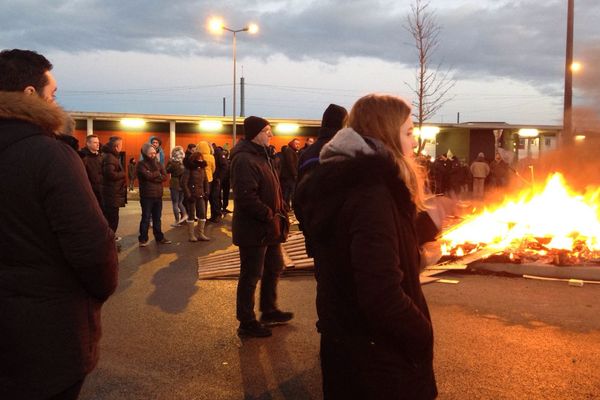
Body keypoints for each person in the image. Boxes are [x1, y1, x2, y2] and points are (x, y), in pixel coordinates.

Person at [295, 94, 443, 399]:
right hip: (379, 364)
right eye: (409, 132)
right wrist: (422, 335)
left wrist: (418, 253)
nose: (414, 143)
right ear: (387, 134)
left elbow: (362, 262)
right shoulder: (371, 194)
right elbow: (380, 294)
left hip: (350, 352)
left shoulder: (347, 183)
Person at [0, 49, 118, 399]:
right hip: (44, 338)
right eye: (53, 93)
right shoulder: (48, 154)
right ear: (30, 94)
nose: (57, 101)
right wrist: (96, 295)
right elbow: (93, 249)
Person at [231, 116, 293, 338]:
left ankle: (269, 309)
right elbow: (245, 197)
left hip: (269, 227)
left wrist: (282, 207)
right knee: (251, 275)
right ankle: (246, 321)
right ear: (255, 133)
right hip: (254, 228)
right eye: (267, 130)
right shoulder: (244, 159)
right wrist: (269, 215)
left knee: (274, 266)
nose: (271, 134)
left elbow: (273, 188)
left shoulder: (264, 156)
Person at [137, 143, 172, 246]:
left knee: (157, 218)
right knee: (146, 218)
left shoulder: (158, 164)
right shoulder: (141, 164)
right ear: (145, 154)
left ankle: (159, 237)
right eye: (150, 153)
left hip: (158, 195)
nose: (153, 155)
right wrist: (157, 174)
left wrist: (153, 175)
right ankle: (143, 239)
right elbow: (147, 176)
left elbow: (165, 177)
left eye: (154, 153)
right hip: (146, 196)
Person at [101, 136, 127, 239]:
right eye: (121, 145)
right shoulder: (110, 157)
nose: (121, 147)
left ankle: (110, 237)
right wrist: (123, 174)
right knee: (112, 218)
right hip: (111, 192)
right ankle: (109, 239)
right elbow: (110, 174)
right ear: (116, 147)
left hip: (113, 192)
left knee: (112, 217)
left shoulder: (111, 156)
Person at [181, 151, 210, 242]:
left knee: (202, 213)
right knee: (191, 214)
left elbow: (205, 181)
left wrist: (206, 192)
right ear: (194, 159)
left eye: (201, 158)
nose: (200, 160)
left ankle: (201, 234)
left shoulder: (202, 169)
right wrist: (189, 195)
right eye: (199, 158)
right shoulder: (189, 169)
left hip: (201, 194)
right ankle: (191, 235)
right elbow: (184, 183)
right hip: (192, 196)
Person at [166, 145, 187, 226]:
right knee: (180, 202)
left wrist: (169, 162)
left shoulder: (172, 162)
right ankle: (185, 214)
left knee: (175, 203)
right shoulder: (184, 162)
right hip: (182, 184)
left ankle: (177, 221)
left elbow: (167, 170)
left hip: (174, 183)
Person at [196, 141, 216, 220]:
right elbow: (213, 168)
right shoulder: (211, 157)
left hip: (198, 180)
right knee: (206, 198)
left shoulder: (197, 156)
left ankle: (199, 216)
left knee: (199, 198)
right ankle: (204, 216)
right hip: (209, 180)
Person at [279, 138, 300, 208]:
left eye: (298, 144)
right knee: (288, 193)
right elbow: (290, 164)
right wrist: (295, 174)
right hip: (289, 176)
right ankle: (286, 207)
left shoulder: (291, 151)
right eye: (296, 144)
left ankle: (286, 207)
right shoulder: (290, 151)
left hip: (289, 176)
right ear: (292, 143)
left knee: (288, 193)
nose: (298, 145)